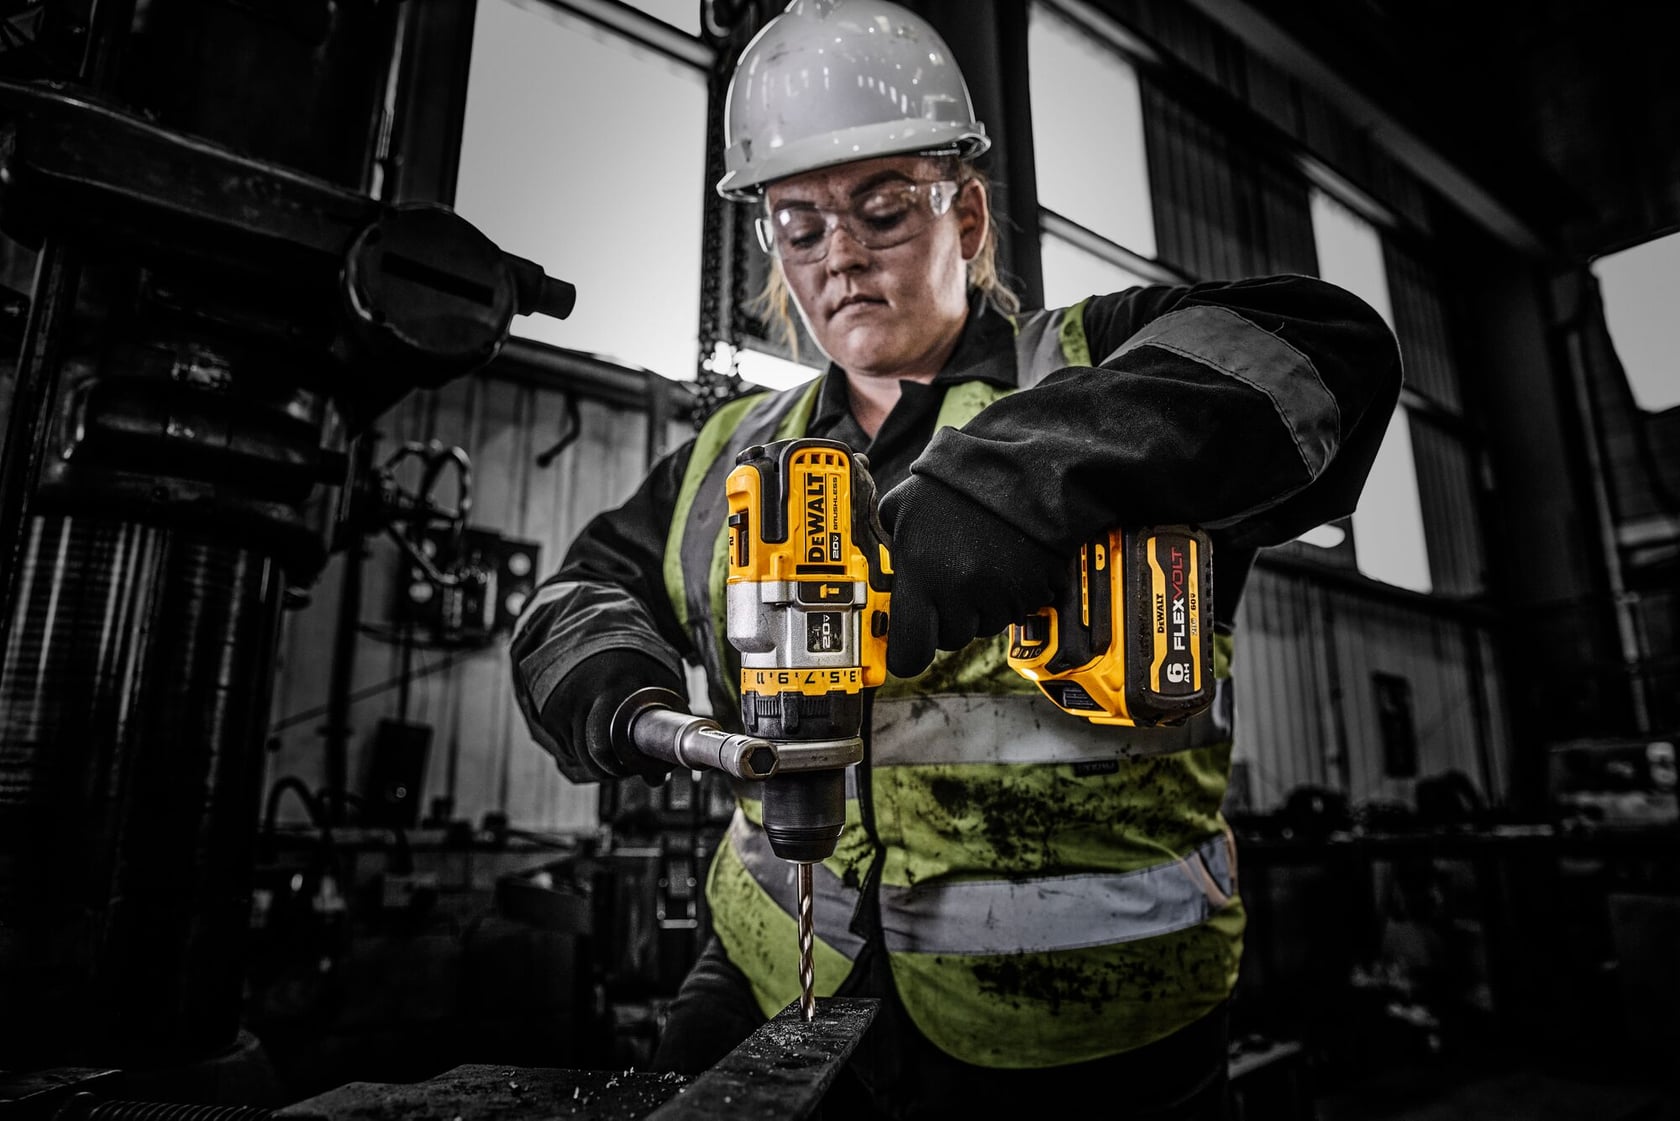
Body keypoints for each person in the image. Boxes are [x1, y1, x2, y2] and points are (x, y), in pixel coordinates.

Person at [510, 1, 1402, 1117]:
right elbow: (577, 590)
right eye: (798, 227)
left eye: (882, 211)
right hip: (777, 964)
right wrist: (617, 688)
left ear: (967, 215)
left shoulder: (1095, 364)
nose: (838, 256)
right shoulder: (733, 457)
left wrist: (976, 518)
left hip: (1087, 1019)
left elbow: (1331, 345)